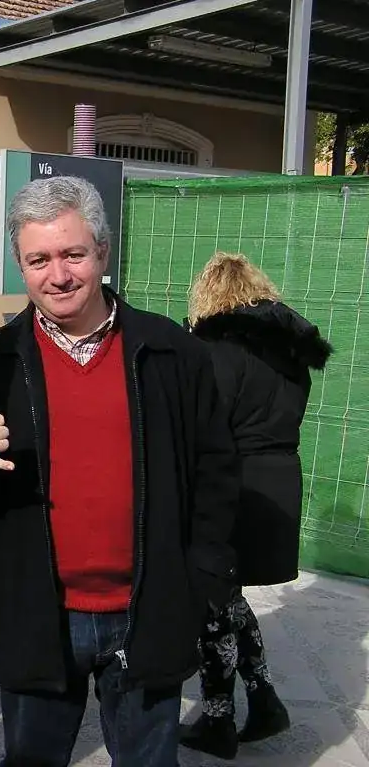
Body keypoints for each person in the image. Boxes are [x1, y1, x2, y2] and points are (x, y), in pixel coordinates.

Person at [0, 175, 239, 767]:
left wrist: (203, 581)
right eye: (38, 260)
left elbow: (216, 472)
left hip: (148, 612)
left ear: (103, 253)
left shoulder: (171, 353)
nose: (58, 275)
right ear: (20, 265)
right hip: (38, 617)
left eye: (73, 254)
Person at [179, 252, 332, 759]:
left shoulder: (219, 349)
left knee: (213, 602)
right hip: (278, 480)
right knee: (229, 596)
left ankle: (218, 719)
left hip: (229, 485)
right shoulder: (291, 350)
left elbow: (205, 423)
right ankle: (264, 700)